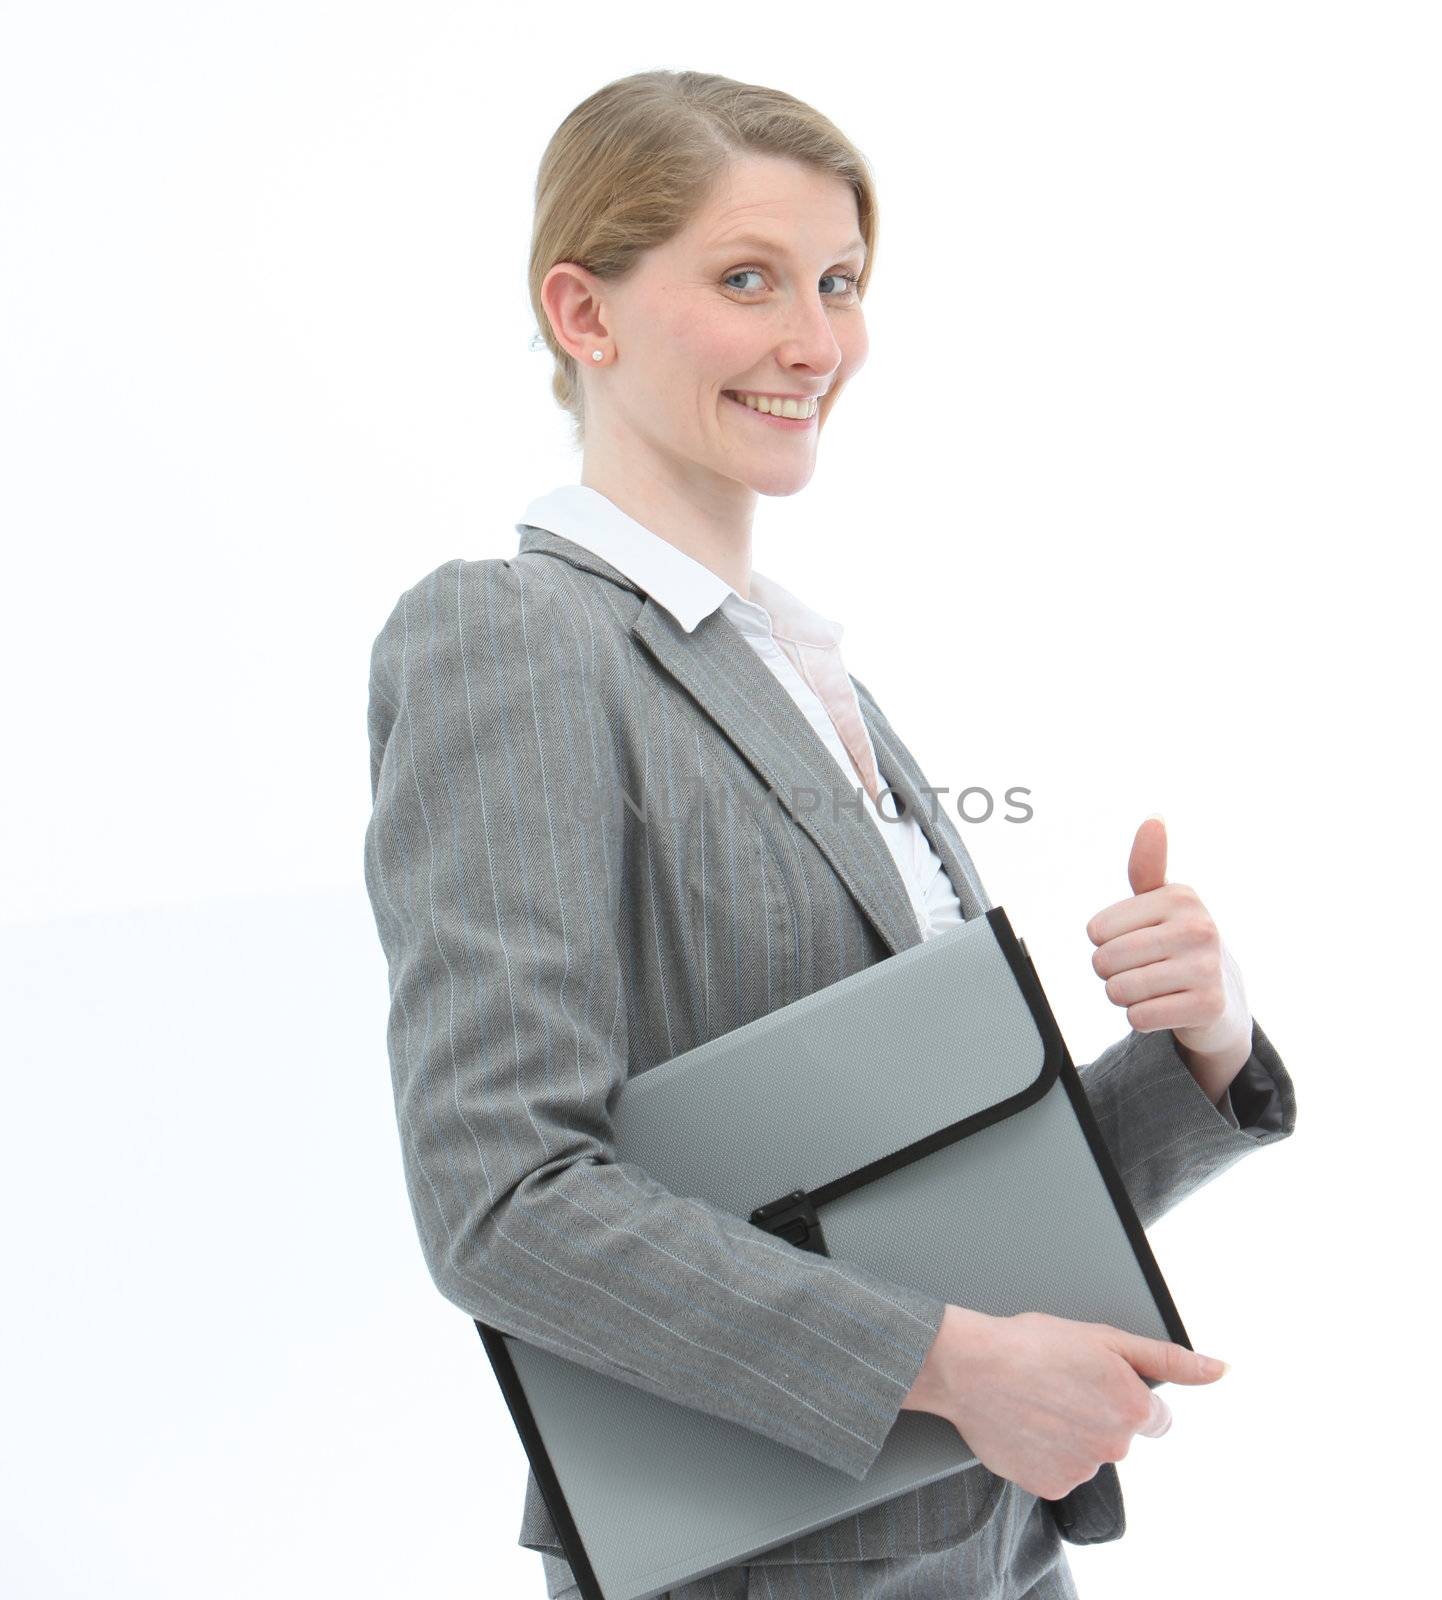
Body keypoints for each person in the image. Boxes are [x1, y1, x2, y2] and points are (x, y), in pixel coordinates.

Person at [362, 68, 1297, 1600]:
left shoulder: (801, 674)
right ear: (584, 316)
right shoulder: (513, 638)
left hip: (989, 1532)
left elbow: (925, 1179)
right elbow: (501, 1198)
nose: (816, 342)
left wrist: (1202, 1046)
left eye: (839, 284)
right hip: (767, 1559)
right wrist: (948, 1363)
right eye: (749, 281)